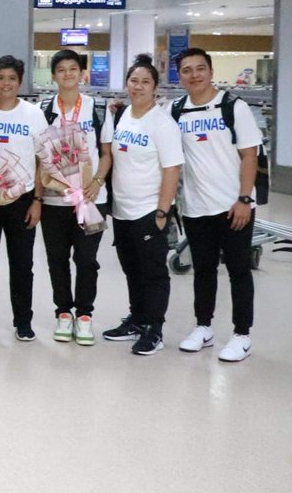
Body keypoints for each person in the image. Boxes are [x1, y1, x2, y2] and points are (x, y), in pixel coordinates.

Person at [171, 48, 261, 362]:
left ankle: (242, 334)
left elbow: (250, 155)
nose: (193, 75)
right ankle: (203, 326)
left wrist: (244, 199)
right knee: (204, 270)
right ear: (179, 76)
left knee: (238, 270)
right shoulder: (176, 110)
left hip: (233, 205)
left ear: (210, 71)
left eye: (199, 69)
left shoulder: (233, 107)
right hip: (195, 207)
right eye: (186, 70)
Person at [103, 54, 183, 356]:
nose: (138, 86)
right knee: (131, 269)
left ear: (155, 88)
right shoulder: (123, 115)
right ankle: (137, 319)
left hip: (150, 210)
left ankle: (155, 328)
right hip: (123, 210)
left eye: (145, 82)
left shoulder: (162, 123)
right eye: (134, 81)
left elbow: (172, 169)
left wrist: (163, 211)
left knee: (153, 272)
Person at [37, 50, 113, 345]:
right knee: (57, 259)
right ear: (53, 75)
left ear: (82, 74)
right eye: (61, 70)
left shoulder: (98, 108)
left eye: (73, 69)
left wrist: (97, 182)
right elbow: (39, 155)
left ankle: (84, 315)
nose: (67, 74)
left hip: (92, 199)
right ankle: (63, 312)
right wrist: (40, 194)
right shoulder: (44, 109)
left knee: (87, 259)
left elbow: (106, 153)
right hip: (55, 202)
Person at [0, 55, 47, 342]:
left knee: (22, 264)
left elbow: (44, 159)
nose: (6, 84)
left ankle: (23, 320)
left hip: (22, 198)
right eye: (0, 78)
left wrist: (37, 200)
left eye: (12, 79)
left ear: (20, 82)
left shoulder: (33, 114)